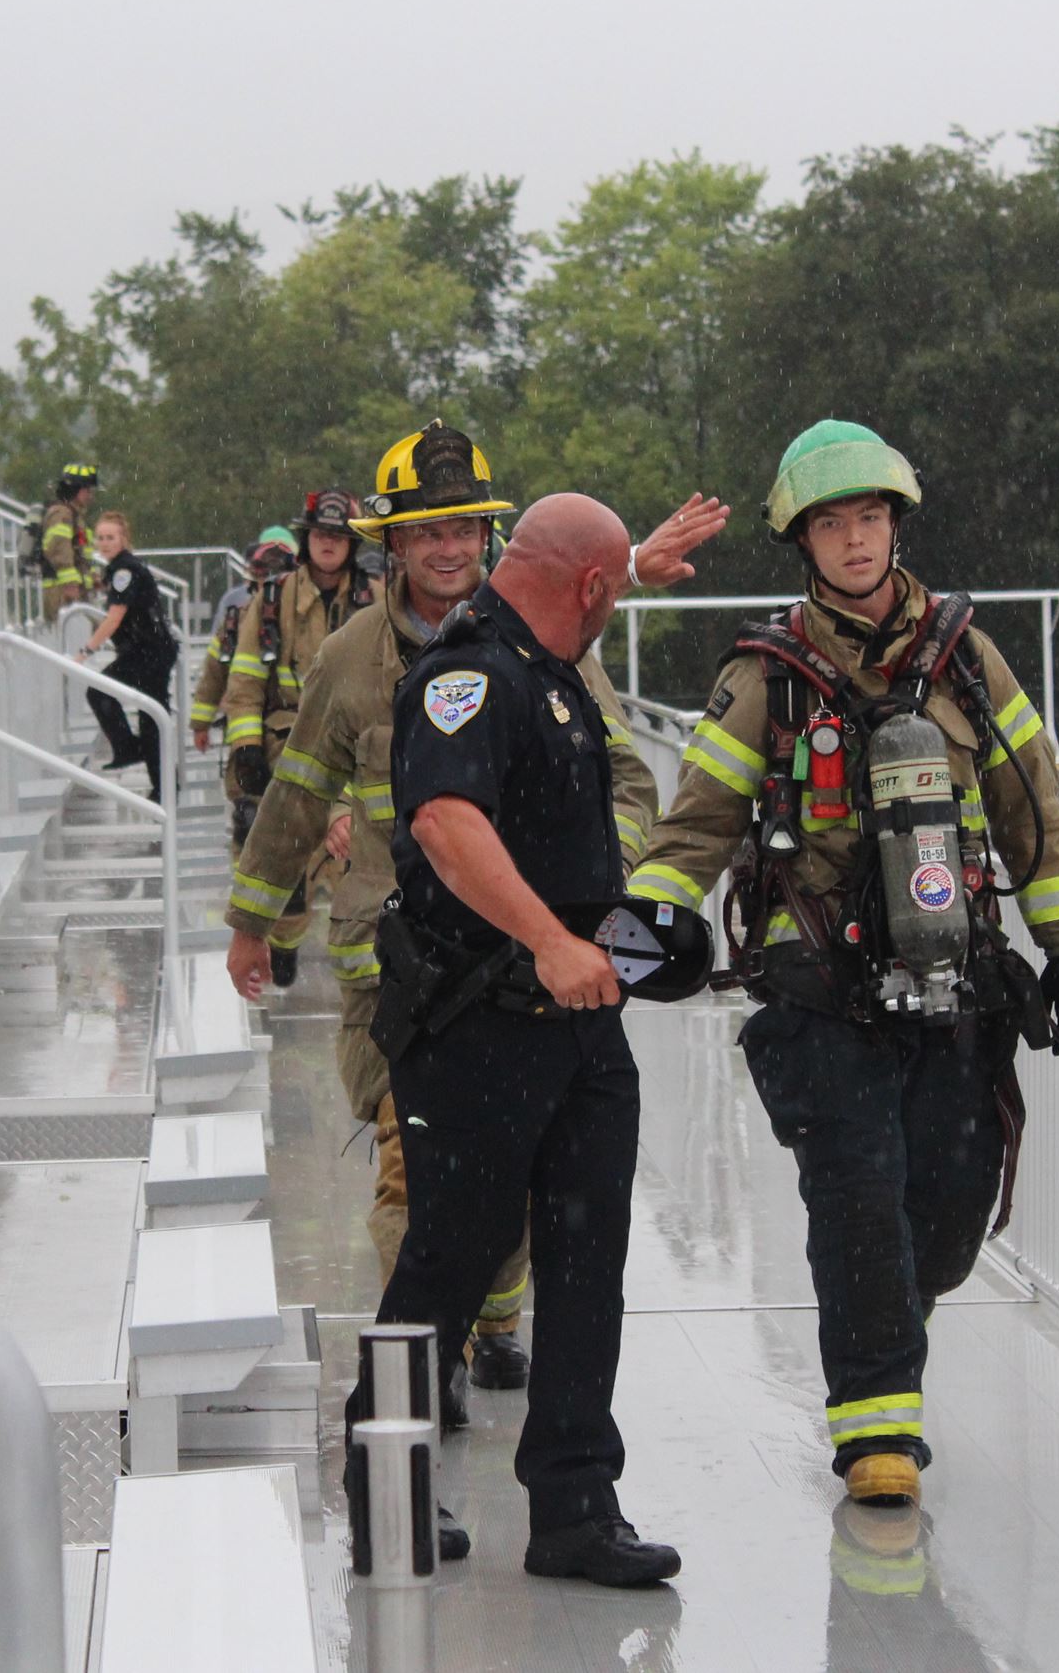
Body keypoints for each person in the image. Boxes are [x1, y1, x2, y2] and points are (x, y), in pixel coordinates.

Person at [627, 419, 1059, 1514]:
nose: (854, 540)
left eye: (870, 517)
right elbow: (697, 820)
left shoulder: (966, 658)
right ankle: (877, 1428)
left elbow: (1031, 804)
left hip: (957, 980)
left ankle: (894, 1316)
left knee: (937, 1216)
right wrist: (651, 916)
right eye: (832, 523)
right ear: (803, 541)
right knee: (855, 1198)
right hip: (816, 987)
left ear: (894, 524)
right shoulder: (766, 675)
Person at [223, 421, 720, 1418]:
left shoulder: (557, 649)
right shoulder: (351, 656)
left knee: (510, 1190)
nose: (445, 548)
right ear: (391, 547)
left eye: (462, 528)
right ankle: (421, 1377)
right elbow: (297, 785)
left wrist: (600, 879)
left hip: (533, 971)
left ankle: (486, 1319)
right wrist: (251, 917)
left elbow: (623, 774)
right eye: (424, 532)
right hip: (390, 965)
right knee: (417, 1174)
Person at [350, 491, 696, 1588]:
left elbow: (566, 833)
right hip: (478, 1027)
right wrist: (549, 940)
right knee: (448, 1256)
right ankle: (381, 1488)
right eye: (610, 588)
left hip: (582, 1028)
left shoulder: (552, 671)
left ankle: (575, 1506)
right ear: (588, 590)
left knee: (587, 1261)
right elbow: (446, 824)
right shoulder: (467, 677)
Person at [217, 489, 379, 988]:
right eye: (320, 535)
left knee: (361, 861)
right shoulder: (271, 599)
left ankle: (367, 973)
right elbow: (244, 680)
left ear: (351, 543)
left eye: (338, 536)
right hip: (284, 746)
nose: (328, 544)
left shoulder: (377, 599)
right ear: (306, 539)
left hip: (356, 746)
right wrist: (245, 746)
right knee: (279, 860)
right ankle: (280, 944)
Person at [72, 510, 178, 804]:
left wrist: (85, 651)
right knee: (151, 718)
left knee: (100, 692)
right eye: (101, 538)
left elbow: (114, 619)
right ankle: (164, 788)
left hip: (149, 652)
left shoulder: (124, 571)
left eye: (111, 537)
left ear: (124, 539)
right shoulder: (121, 568)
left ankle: (131, 751)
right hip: (149, 650)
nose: (104, 543)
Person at [191, 524, 295, 756]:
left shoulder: (303, 617)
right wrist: (201, 724)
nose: (268, 592)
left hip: (292, 727)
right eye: (262, 582)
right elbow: (213, 674)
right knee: (246, 787)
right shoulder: (234, 620)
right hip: (246, 726)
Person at [23, 464, 100, 621]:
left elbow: (82, 553)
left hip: (74, 590)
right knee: (70, 637)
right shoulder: (61, 514)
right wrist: (70, 584)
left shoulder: (74, 515)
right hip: (62, 591)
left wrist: (93, 578)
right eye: (87, 490)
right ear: (75, 489)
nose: (90, 496)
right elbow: (58, 550)